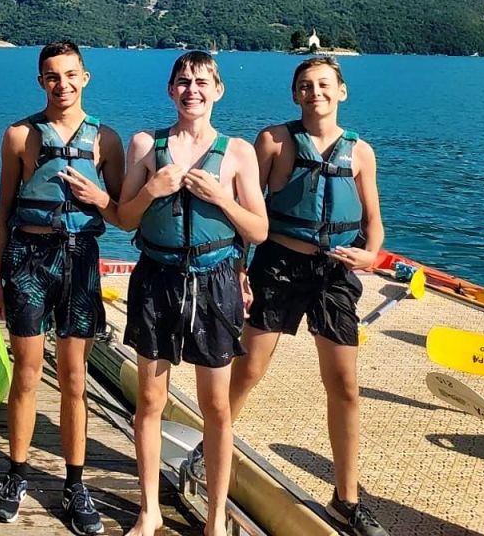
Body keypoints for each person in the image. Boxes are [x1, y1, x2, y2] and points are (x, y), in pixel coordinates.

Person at [197, 58, 387, 536]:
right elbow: (245, 209)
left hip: (336, 271)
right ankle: (207, 454)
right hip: (279, 266)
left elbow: (373, 222)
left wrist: (372, 255)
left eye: (324, 84)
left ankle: (346, 498)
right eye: (305, 86)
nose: (314, 92)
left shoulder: (360, 152)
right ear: (294, 94)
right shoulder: (274, 142)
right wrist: (239, 270)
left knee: (344, 384)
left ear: (341, 91)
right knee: (249, 370)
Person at [116, 51, 268, 536]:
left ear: (219, 90)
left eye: (202, 82)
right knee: (150, 400)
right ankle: (149, 509)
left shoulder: (238, 152)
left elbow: (259, 230)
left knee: (217, 406)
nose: (192, 90)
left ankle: (216, 517)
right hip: (157, 278)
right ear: (170, 89)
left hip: (215, 280)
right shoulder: (145, 144)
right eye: (183, 81)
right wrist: (151, 191)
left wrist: (222, 198)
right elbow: (123, 218)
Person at [0, 42, 124, 532]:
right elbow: (2, 211)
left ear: (84, 78)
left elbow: (122, 211)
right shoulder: (19, 135)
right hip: (28, 258)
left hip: (80, 259)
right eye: (50, 76)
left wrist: (99, 196)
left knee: (73, 377)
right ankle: (17, 472)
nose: (60, 84)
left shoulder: (106, 139)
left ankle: (74, 482)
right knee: (26, 371)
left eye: (69, 75)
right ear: (40, 81)